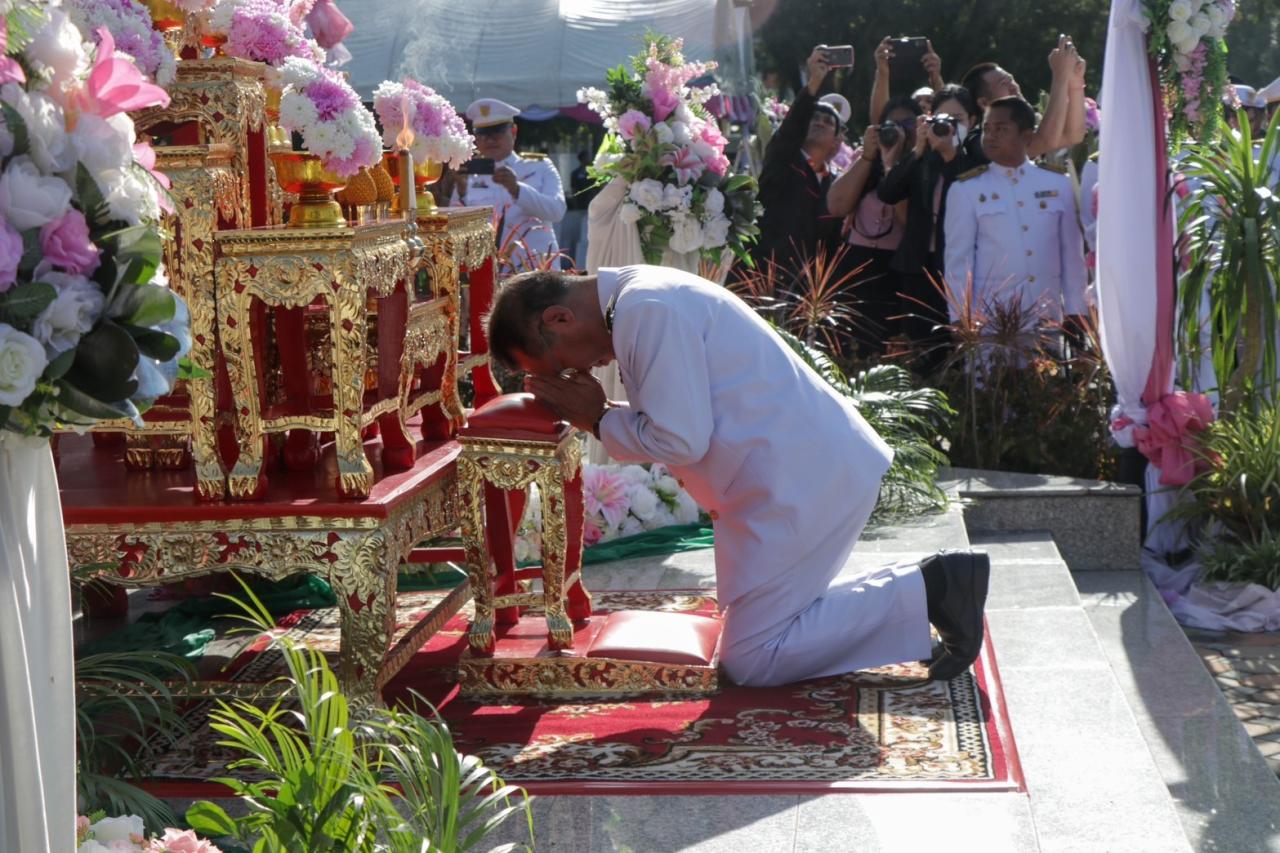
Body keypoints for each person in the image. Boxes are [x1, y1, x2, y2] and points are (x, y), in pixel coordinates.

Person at [485, 265, 991, 686]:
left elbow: (682, 441)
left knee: (754, 657)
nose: (572, 376)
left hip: (803, 480)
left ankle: (934, 587)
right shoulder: (637, 300)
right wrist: (602, 416)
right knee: (760, 635)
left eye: (554, 366)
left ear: (560, 317)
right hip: (791, 473)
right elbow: (679, 422)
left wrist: (597, 418)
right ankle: (931, 587)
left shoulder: (645, 308)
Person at [943, 97, 1087, 328]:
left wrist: (1076, 310)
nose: (991, 136)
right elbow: (958, 260)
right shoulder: (966, 189)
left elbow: (1071, 254)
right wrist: (960, 316)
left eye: (1001, 129)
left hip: (1045, 316)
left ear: (1027, 136)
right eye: (987, 129)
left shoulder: (1058, 184)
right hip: (991, 322)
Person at [875, 85, 984, 369]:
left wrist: (950, 155)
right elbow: (888, 192)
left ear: (972, 121)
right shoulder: (925, 156)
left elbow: (967, 192)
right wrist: (919, 150)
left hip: (961, 270)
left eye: (957, 120)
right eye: (942, 119)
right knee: (922, 351)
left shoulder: (978, 157)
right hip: (919, 266)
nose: (948, 127)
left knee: (959, 350)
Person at [825, 97, 917, 356]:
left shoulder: (922, 165)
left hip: (896, 270)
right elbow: (836, 206)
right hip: (856, 265)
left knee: (887, 347)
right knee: (850, 346)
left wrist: (892, 167)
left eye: (907, 124)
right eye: (891, 124)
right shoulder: (867, 159)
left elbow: (910, 222)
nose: (898, 130)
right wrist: (868, 157)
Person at [750, 45, 847, 288]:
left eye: (828, 122)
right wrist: (814, 82)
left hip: (807, 291)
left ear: (836, 143)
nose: (820, 123)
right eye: (814, 118)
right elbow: (791, 128)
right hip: (762, 279)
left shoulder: (836, 185)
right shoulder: (783, 159)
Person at [452, 98, 567, 272]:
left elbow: (557, 210)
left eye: (497, 132)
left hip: (535, 268)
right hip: (488, 270)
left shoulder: (539, 166)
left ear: (513, 132)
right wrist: (460, 193)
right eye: (483, 134)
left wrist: (517, 189)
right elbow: (456, 227)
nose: (490, 140)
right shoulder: (469, 173)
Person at [960, 35, 1087, 162]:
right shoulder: (980, 140)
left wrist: (1075, 82)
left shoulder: (1026, 126)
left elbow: (1072, 135)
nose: (1013, 86)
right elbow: (1043, 141)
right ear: (984, 103)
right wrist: (1060, 75)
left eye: (1011, 79)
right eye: (1003, 83)